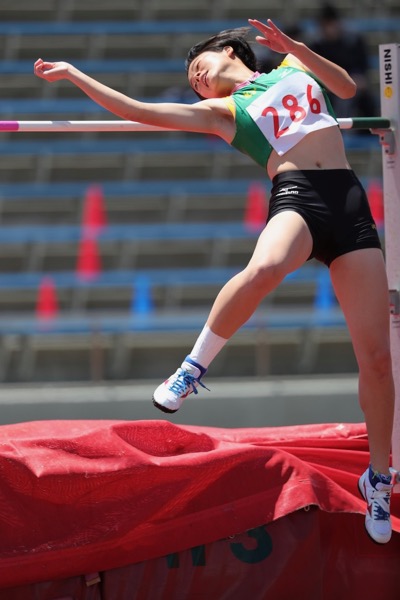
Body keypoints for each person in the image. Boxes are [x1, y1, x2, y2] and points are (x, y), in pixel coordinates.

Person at [34, 18, 394, 544]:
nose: (196, 79)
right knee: (266, 268)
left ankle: (379, 477)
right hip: (299, 195)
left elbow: (344, 87)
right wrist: (74, 74)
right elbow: (138, 112)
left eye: (198, 67)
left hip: (349, 199)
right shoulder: (223, 112)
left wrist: (296, 48)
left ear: (230, 50)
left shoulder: (294, 66)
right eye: (191, 80)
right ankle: (192, 366)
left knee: (378, 361)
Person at [309, 3, 377, 119]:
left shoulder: (354, 42)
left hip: (354, 86)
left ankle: (367, 134)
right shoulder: (317, 46)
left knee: (366, 101)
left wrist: (357, 80)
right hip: (328, 88)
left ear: (337, 23)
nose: (328, 28)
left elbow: (362, 68)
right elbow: (313, 72)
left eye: (330, 24)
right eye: (324, 25)